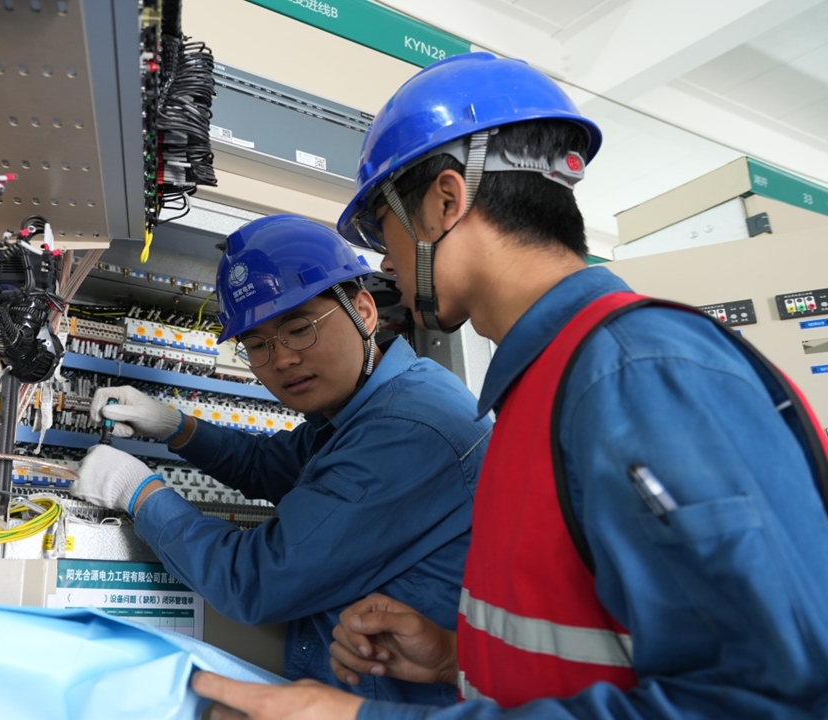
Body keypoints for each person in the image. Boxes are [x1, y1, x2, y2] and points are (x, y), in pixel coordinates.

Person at [192, 52, 828, 719]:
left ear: (445, 201)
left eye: (385, 231)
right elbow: (606, 643)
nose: (386, 262)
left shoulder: (635, 373)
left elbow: (771, 700)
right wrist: (455, 657)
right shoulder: (546, 385)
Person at [72, 214, 492, 705]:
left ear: (364, 311)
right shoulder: (367, 405)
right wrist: (176, 427)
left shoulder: (406, 428)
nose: (282, 358)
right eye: (257, 344)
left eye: (299, 328)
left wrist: (139, 492)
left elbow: (253, 581)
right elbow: (266, 465)